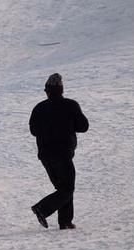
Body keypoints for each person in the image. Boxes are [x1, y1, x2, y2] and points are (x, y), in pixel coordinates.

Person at [29, 73, 89, 229]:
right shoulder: (70, 105)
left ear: (47, 91)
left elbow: (34, 130)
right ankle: (42, 208)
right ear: (61, 90)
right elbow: (83, 127)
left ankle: (65, 222)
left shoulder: (39, 108)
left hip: (45, 156)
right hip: (63, 154)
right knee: (67, 189)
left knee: (63, 188)